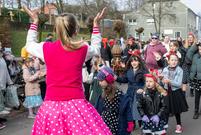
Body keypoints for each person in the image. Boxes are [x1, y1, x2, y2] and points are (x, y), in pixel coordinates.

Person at [23, 6, 112, 135]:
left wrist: (35, 22)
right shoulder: (82, 48)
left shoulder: (46, 48)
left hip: (51, 108)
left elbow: (29, 45)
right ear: (75, 30)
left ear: (56, 30)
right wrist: (96, 25)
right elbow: (97, 48)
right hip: (77, 107)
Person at [95, 66, 134, 135]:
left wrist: (130, 121)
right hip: (105, 123)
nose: (99, 83)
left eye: (101, 81)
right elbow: (97, 110)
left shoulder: (121, 96)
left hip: (118, 124)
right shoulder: (102, 96)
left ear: (108, 79)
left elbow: (127, 110)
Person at [116, 50, 148, 126]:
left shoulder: (143, 71)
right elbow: (124, 80)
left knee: (139, 108)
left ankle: (141, 124)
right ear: (130, 62)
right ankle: (132, 124)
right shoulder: (128, 71)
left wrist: (143, 89)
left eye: (136, 61)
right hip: (130, 92)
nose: (134, 63)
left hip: (139, 92)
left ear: (139, 62)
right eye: (132, 61)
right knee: (130, 108)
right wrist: (116, 78)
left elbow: (147, 82)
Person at [161, 52, 188, 134]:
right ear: (168, 61)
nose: (174, 62)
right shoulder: (165, 69)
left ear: (178, 61)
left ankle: (179, 124)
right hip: (166, 92)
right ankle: (164, 126)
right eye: (172, 60)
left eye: (176, 60)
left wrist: (169, 81)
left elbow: (178, 84)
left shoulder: (179, 70)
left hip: (176, 92)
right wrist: (161, 79)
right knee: (165, 110)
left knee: (176, 110)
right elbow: (163, 82)